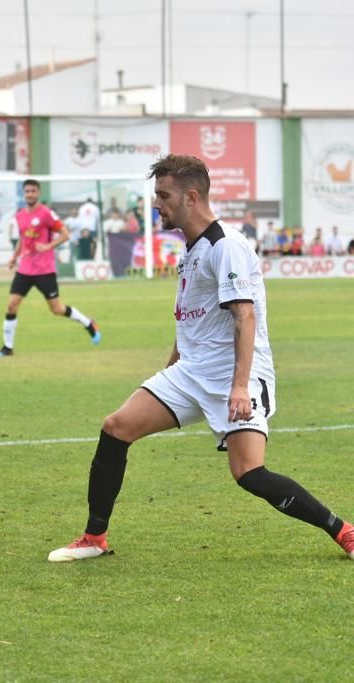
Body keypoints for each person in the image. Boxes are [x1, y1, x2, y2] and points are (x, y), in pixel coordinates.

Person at [48, 154, 354, 563]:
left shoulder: (224, 245)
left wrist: (240, 386)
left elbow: (244, 315)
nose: (156, 203)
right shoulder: (192, 249)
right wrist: (171, 367)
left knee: (249, 474)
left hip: (235, 372)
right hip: (191, 372)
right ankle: (94, 537)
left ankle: (344, 531)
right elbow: (192, 319)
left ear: (191, 196)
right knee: (116, 427)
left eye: (163, 195)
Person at [0, 179, 101, 358]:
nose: (30, 194)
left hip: (45, 269)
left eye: (33, 191)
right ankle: (7, 348)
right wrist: (14, 256)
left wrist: (49, 246)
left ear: (38, 193)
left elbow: (65, 234)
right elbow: (22, 240)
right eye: (27, 191)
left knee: (56, 309)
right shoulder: (19, 215)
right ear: (23, 193)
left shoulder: (46, 214)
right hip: (25, 268)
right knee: (12, 305)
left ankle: (89, 323)